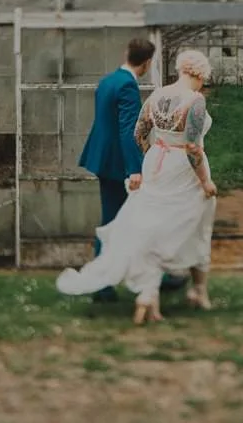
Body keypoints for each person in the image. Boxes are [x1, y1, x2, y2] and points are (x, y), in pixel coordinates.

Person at [57, 49, 218, 324]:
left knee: (151, 226)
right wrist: (205, 180)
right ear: (199, 75)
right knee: (196, 223)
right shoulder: (195, 101)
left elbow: (139, 132)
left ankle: (149, 292)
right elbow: (192, 147)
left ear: (180, 70)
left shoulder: (156, 95)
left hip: (157, 161)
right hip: (183, 167)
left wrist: (152, 156)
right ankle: (198, 290)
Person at [75, 37, 185, 303]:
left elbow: (106, 124)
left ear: (127, 54)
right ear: (147, 63)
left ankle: (108, 284)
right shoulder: (127, 85)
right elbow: (127, 130)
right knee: (133, 221)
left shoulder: (107, 81)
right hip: (118, 165)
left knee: (113, 221)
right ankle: (139, 280)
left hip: (102, 159)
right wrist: (134, 169)